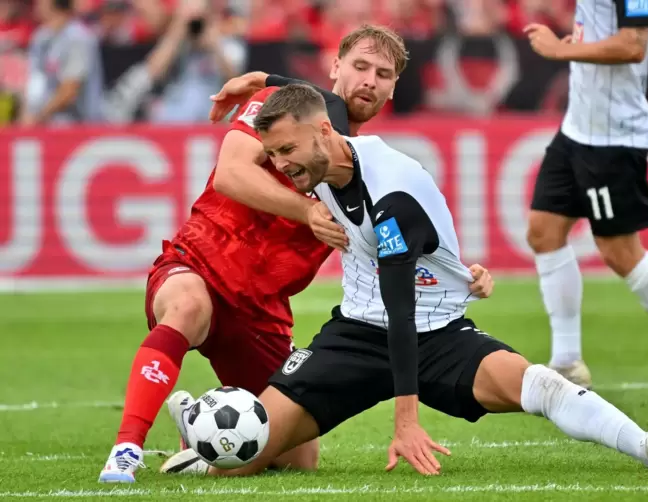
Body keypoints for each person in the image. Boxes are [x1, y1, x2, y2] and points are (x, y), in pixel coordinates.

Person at [159, 84, 648, 478]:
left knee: (539, 385)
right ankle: (197, 426)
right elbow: (298, 95)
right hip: (352, 335)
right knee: (243, 462)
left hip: (433, 331)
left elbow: (402, 313)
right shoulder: (318, 148)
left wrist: (406, 422)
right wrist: (252, 83)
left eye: (286, 152)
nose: (280, 167)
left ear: (325, 132)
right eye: (272, 154)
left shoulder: (391, 194)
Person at [98, 24, 427, 483]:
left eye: (383, 74)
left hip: (263, 308)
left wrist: (454, 268)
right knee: (188, 307)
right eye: (359, 66)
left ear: (392, 90)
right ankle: (126, 450)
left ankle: (197, 426)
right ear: (334, 67)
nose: (369, 80)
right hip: (202, 261)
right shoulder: (279, 107)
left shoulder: (369, 166)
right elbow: (232, 174)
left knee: (294, 457)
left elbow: (394, 246)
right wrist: (305, 211)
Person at [522, 0, 648, 401]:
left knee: (619, 251)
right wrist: (593, 45)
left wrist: (564, 50)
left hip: (612, 137)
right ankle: (567, 364)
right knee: (543, 231)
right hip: (577, 128)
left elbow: (633, 44)